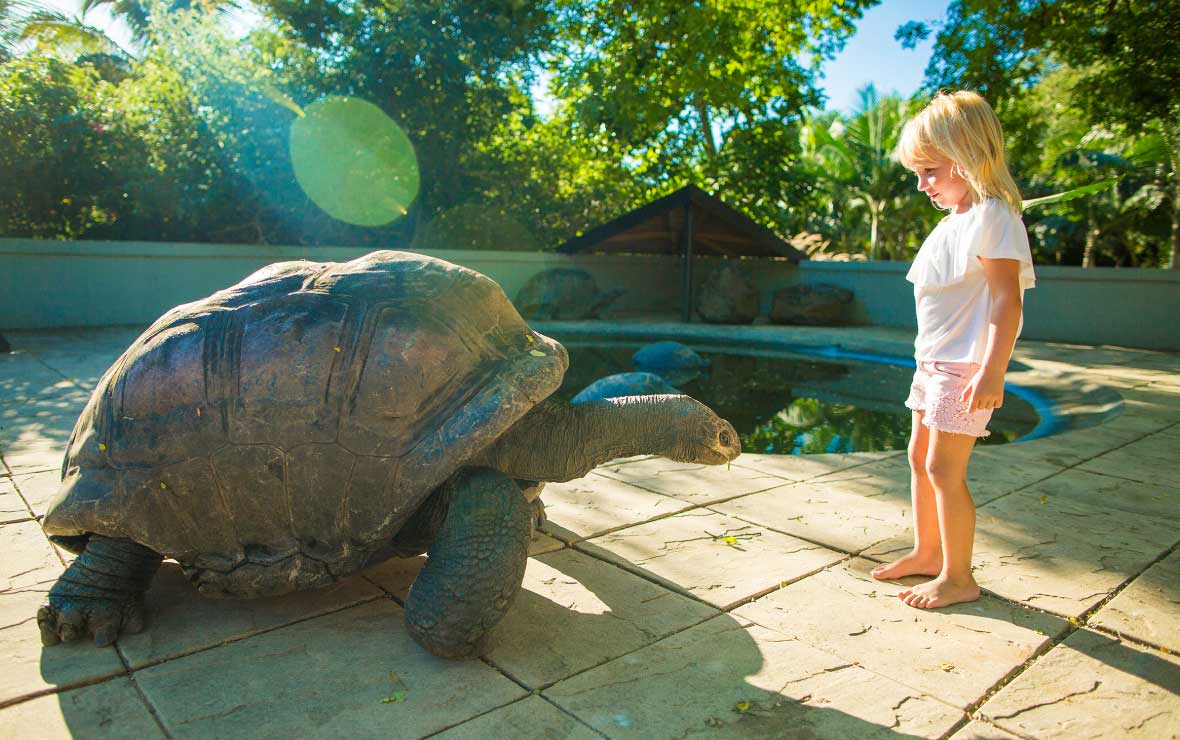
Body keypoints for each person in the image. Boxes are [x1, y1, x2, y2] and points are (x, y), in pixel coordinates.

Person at [870, 90, 1035, 608]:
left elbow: (1007, 300)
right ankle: (927, 553)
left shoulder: (994, 217)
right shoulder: (955, 222)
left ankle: (959, 577)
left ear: (967, 157)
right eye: (918, 174)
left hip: (963, 368)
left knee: (945, 468)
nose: (922, 185)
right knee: (919, 458)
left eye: (931, 172)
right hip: (932, 363)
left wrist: (993, 371)